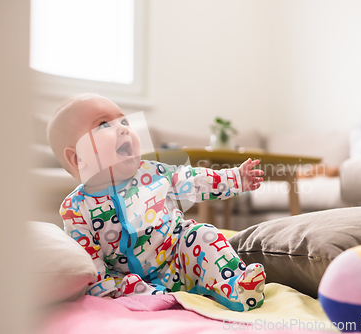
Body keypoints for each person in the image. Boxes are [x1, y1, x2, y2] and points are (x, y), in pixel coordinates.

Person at [47, 93, 266, 311]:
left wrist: (235, 178)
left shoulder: (153, 174)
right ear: (78, 158)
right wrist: (102, 297)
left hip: (179, 260)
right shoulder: (76, 208)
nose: (123, 128)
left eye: (124, 121)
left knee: (204, 235)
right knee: (113, 285)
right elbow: (89, 260)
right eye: (104, 124)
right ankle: (158, 299)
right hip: (130, 281)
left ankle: (236, 286)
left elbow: (195, 180)